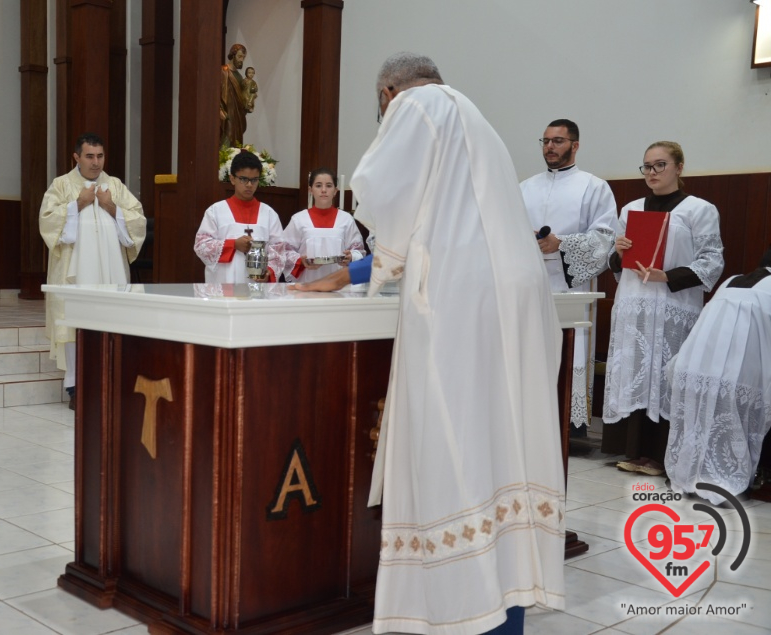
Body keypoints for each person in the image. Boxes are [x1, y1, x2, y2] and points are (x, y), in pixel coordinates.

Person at [293, 52, 565, 635]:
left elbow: (383, 195)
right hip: (516, 294)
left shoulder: (416, 106)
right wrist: (362, 271)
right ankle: (506, 606)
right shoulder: (475, 116)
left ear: (388, 92)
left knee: (453, 442)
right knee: (504, 441)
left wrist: (365, 265)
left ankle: (461, 609)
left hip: (462, 297)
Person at [602, 141, 724, 476]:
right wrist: (619, 250)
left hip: (673, 306)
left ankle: (660, 456)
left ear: (679, 168)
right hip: (634, 307)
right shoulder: (631, 209)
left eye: (660, 165)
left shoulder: (699, 210)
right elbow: (614, 263)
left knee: (667, 377)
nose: (652, 173)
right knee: (635, 374)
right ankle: (633, 451)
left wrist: (666, 275)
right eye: (647, 167)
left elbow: (712, 262)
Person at [521, 119, 616, 432]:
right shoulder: (525, 187)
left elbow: (605, 237)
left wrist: (559, 243)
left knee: (569, 351)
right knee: (528, 350)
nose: (550, 147)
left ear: (575, 145)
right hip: (529, 281)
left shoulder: (593, 186)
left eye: (558, 141)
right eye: (546, 141)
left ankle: (566, 427)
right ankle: (526, 422)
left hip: (570, 285)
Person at [39, 133, 146, 410]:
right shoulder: (61, 185)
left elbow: (138, 222)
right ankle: (76, 387)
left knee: (110, 322)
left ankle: (110, 383)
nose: (96, 163)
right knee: (75, 324)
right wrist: (78, 203)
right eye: (89, 156)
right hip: (75, 273)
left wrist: (112, 207)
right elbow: (48, 221)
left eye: (100, 156)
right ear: (76, 157)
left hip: (109, 270)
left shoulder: (116, 187)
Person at [664, 246, 771, 504]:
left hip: (690, 368)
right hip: (735, 375)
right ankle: (729, 479)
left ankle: (687, 472)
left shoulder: (732, 281)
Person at [194, 150, 283, 284]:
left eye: (254, 180)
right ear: (232, 179)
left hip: (257, 290)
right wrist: (233, 244)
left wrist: (269, 271)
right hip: (223, 287)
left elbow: (279, 251)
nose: (249, 185)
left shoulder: (269, 214)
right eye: (243, 179)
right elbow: (201, 246)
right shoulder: (216, 211)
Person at [282, 169, 366, 284]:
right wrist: (300, 261)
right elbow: (284, 251)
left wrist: (351, 257)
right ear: (310, 190)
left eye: (329, 186)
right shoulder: (299, 219)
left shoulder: (346, 219)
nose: (323, 190)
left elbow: (359, 251)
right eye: (318, 185)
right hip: (306, 285)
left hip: (339, 286)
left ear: (335, 191)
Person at [220, 43, 250, 147]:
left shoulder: (240, 77)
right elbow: (216, 94)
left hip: (238, 117)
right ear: (233, 55)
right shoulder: (223, 72)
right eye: (240, 56)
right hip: (227, 115)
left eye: (243, 57)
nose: (242, 60)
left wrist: (248, 105)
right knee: (226, 143)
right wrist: (219, 110)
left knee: (236, 145)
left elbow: (241, 98)